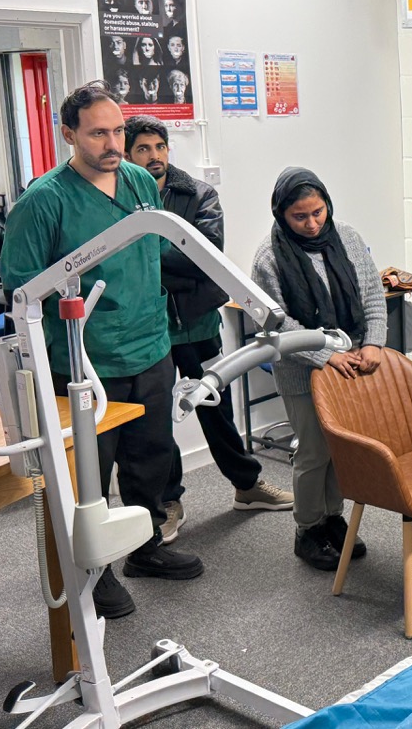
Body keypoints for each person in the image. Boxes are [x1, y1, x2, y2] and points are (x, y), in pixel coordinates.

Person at [1, 80, 203, 622]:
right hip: (85, 365)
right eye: (97, 134)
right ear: (68, 134)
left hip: (151, 348)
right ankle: (95, 570)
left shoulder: (139, 181)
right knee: (90, 473)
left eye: (117, 130)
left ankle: (144, 549)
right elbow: (22, 293)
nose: (113, 143)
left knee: (151, 459)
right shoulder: (43, 203)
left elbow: (153, 257)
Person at [124, 116, 293, 545]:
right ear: (128, 155)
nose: (154, 156)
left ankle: (247, 485)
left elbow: (202, 256)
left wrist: (149, 253)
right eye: (143, 149)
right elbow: (128, 264)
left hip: (197, 323)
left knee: (215, 405)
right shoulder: (120, 198)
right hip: (150, 328)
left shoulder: (198, 194)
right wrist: (165, 256)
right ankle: (168, 502)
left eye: (159, 146)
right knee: (157, 418)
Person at [251, 168, 388, 570]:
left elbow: (373, 295)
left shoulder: (347, 236)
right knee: (313, 451)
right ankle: (307, 529)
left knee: (340, 448)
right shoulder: (268, 258)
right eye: (300, 216)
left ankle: (332, 518)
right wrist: (326, 353)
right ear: (281, 214)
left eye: (318, 212)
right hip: (303, 371)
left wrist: (375, 341)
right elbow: (277, 325)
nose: (312, 224)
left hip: (351, 368)